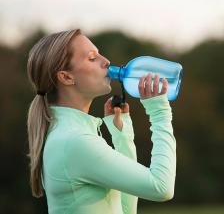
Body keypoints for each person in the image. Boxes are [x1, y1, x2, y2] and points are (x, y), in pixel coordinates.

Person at [26, 29, 176, 214]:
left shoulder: (69, 134)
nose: (106, 62)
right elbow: (162, 188)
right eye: (91, 58)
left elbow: (126, 210)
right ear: (66, 77)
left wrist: (122, 137)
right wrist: (160, 113)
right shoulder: (75, 141)